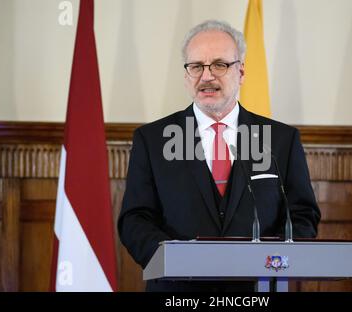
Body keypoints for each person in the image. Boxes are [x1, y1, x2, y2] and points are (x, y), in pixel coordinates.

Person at [118, 20, 320, 292]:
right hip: (179, 290)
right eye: (196, 66)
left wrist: (274, 262)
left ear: (242, 72)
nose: (207, 76)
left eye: (219, 64)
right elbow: (135, 219)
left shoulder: (281, 140)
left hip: (257, 290)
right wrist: (174, 260)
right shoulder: (153, 140)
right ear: (186, 75)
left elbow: (302, 215)